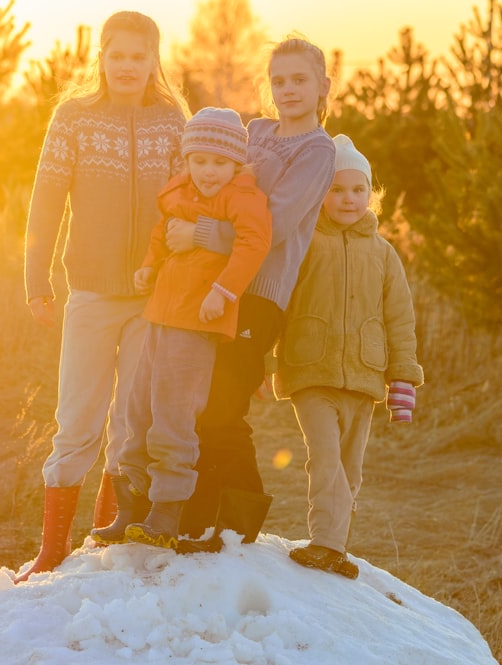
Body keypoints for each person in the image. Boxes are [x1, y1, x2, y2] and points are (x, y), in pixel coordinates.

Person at [16, 11, 189, 583]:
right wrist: (36, 282)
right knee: (77, 420)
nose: (127, 66)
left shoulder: (172, 120)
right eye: (117, 55)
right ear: (102, 58)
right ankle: (52, 551)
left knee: (131, 424)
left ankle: (101, 544)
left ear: (153, 61)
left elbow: (191, 201)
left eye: (139, 57)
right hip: (88, 293)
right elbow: (46, 202)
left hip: (152, 297)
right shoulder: (74, 118)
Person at [164, 35, 337, 552]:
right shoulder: (255, 132)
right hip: (212, 286)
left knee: (223, 406)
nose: (288, 90)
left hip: (259, 295)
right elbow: (213, 178)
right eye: (279, 80)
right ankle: (198, 520)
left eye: (299, 80)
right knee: (199, 402)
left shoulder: (317, 151)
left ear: (322, 86)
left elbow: (276, 225)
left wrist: (198, 234)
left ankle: (237, 526)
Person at [91, 107, 272, 550]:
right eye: (200, 160)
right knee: (138, 410)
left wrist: (224, 292)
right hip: (158, 314)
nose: (209, 171)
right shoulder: (180, 191)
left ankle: (166, 511)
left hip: (196, 322)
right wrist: (150, 268)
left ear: (235, 164)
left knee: (173, 417)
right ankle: (130, 508)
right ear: (188, 160)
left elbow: (255, 244)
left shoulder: (241, 198)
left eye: (219, 162)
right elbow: (161, 233)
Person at [275, 134, 424, 578]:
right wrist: (263, 361)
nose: (348, 199)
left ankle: (336, 546)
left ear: (370, 195)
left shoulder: (383, 253)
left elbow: (400, 317)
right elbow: (277, 301)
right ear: (319, 195)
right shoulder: (304, 243)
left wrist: (403, 377)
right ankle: (325, 542)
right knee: (324, 459)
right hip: (310, 370)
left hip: (364, 375)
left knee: (349, 468)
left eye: (358, 190)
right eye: (337, 189)